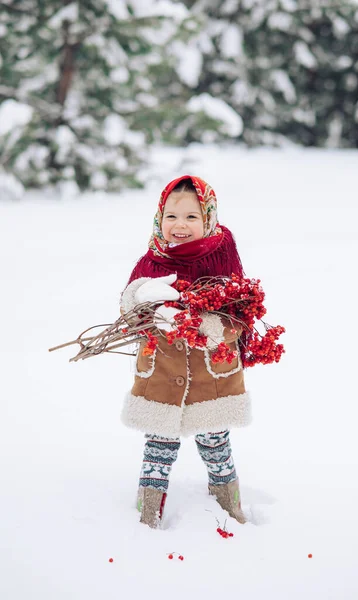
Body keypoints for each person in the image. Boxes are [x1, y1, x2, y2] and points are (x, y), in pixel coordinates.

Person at [120, 175, 251, 529]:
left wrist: (207, 327)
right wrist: (140, 300)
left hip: (212, 376)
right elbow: (128, 313)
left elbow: (240, 315)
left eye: (192, 217)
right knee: (159, 443)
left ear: (207, 217)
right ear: (159, 218)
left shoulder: (222, 255)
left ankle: (228, 497)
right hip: (162, 372)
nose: (180, 226)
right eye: (171, 216)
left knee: (215, 440)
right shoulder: (151, 261)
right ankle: (148, 508)